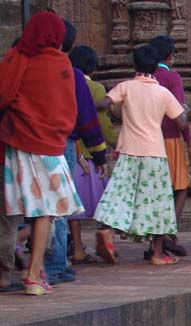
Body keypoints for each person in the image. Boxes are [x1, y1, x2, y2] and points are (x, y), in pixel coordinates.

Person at [0, 11, 84, 295]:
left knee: (16, 211)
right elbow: (68, 109)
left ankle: (16, 272)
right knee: (46, 212)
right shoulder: (61, 62)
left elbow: (3, 94)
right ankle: (34, 274)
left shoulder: (17, 57)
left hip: (18, 143)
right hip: (49, 147)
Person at [92, 44, 188, 265]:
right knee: (157, 203)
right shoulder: (163, 92)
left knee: (120, 197)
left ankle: (108, 232)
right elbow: (181, 122)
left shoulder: (125, 87)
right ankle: (156, 253)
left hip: (128, 151)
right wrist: (183, 109)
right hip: (155, 153)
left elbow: (104, 104)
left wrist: (80, 102)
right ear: (156, 67)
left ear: (134, 65)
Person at [44, 18, 108, 285]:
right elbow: (86, 116)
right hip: (61, 143)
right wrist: (100, 153)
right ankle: (55, 265)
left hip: (27, 143)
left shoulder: (24, 66)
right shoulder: (71, 73)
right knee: (58, 206)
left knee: (38, 208)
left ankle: (38, 263)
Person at [67, 44, 118, 265]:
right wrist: (115, 143)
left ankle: (77, 246)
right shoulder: (96, 88)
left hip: (73, 153)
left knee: (73, 210)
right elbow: (102, 125)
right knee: (106, 204)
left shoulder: (66, 83)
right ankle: (106, 237)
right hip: (90, 156)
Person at [149, 35, 191, 258]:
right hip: (171, 140)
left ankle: (154, 242)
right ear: (170, 55)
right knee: (181, 187)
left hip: (150, 141)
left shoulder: (146, 77)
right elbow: (179, 114)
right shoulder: (172, 77)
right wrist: (190, 143)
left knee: (158, 191)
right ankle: (169, 233)